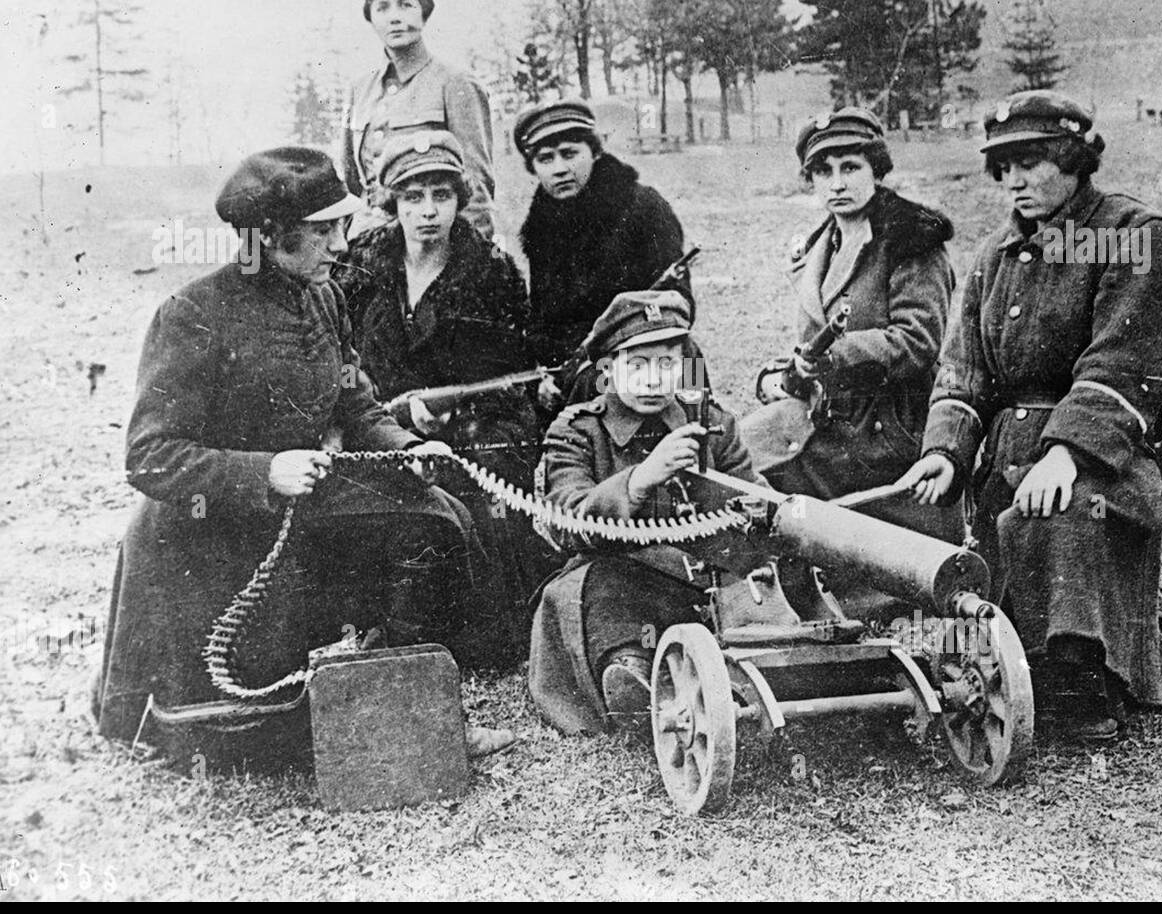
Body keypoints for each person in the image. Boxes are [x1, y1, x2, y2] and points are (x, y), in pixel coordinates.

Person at [94, 147, 513, 764]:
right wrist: (264, 472)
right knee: (250, 736)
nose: (342, 246)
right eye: (323, 232)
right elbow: (150, 456)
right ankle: (348, 719)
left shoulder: (325, 298)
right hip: (213, 535)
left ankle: (410, 710)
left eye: (341, 227)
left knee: (436, 516)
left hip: (305, 499)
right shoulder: (192, 315)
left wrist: (407, 447)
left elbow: (355, 406)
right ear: (268, 236)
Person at [898, 90, 1162, 741]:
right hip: (1006, 471)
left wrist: (1065, 452)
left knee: (1060, 526)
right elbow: (963, 372)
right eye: (1003, 166)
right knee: (975, 610)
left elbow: (1126, 364)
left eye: (1030, 161)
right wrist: (945, 449)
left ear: (1074, 160)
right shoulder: (993, 257)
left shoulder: (1129, 236)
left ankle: (1080, 682)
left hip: (1105, 465)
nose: (1013, 180)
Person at [336, 129, 552, 666]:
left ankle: (475, 630)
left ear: (460, 198)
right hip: (374, 427)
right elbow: (339, 357)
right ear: (393, 203)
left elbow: (512, 387)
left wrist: (447, 421)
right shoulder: (358, 266)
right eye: (413, 197)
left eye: (442, 195)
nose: (428, 212)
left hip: (469, 440)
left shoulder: (491, 274)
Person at [528, 290, 762, 735]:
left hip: (707, 575)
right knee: (601, 587)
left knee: (768, 576)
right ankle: (630, 675)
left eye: (667, 364)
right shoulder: (578, 429)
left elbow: (754, 492)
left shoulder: (711, 422)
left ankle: (748, 667)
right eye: (637, 367)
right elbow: (567, 517)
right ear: (608, 369)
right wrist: (639, 479)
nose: (655, 380)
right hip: (624, 581)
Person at [743, 106, 963, 547]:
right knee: (736, 457)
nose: (837, 183)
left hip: (891, 425)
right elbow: (811, 340)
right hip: (829, 415)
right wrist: (789, 371)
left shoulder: (910, 237)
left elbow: (917, 341)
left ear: (876, 169)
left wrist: (829, 360)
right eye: (823, 171)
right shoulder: (818, 244)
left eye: (850, 167)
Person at [513, 99, 696, 412]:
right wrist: (544, 373)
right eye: (545, 159)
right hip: (574, 369)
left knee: (693, 386)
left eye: (570, 153)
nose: (559, 169)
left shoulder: (644, 208)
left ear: (594, 152)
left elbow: (679, 304)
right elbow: (543, 319)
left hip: (650, 354)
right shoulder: (540, 226)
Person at [340, 0, 494, 242]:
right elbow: (350, 186)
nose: (394, 17)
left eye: (405, 4)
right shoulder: (359, 89)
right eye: (382, 7)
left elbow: (477, 189)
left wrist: (473, 266)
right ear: (370, 18)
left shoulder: (455, 83)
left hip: (430, 245)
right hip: (366, 244)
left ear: (424, 12)